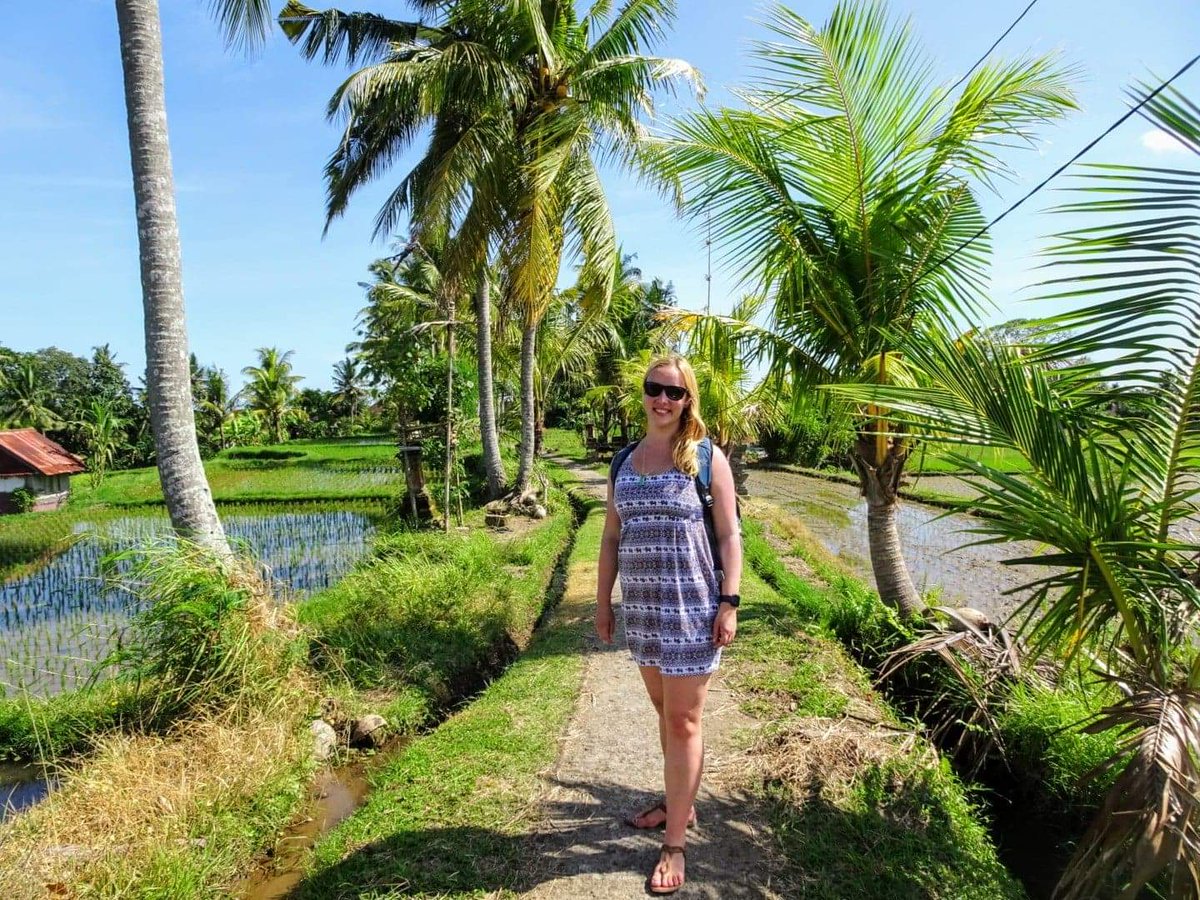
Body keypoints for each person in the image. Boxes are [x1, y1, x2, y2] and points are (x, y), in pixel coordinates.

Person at [594, 354, 742, 895]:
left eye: (674, 393)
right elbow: (611, 537)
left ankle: (675, 842)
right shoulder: (623, 462)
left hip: (692, 611)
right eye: (654, 389)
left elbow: (729, 535)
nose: (662, 399)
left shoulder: (705, 458)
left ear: (688, 401)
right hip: (644, 614)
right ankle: (679, 800)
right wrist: (603, 603)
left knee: (683, 723)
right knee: (665, 712)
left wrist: (730, 601)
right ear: (644, 394)